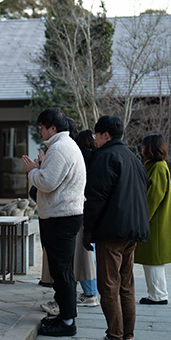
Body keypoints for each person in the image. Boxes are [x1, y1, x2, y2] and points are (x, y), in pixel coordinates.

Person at [82, 115, 150, 340]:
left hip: (111, 231)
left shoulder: (105, 157)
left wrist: (87, 230)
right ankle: (127, 338)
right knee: (126, 285)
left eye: (97, 136)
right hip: (133, 231)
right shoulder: (133, 158)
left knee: (108, 286)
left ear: (105, 135)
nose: (95, 140)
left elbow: (95, 197)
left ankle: (114, 339)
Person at [22, 108, 86, 337]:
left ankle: (68, 322)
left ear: (53, 128)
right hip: (62, 215)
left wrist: (33, 172)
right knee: (61, 270)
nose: (39, 130)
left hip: (62, 217)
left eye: (42, 126)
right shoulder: (62, 147)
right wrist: (40, 169)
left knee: (62, 271)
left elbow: (47, 183)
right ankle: (64, 316)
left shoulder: (60, 149)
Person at [134, 133, 171, 305]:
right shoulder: (157, 166)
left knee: (154, 259)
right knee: (153, 259)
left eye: (144, 145)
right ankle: (156, 294)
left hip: (155, 222)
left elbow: (153, 197)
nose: (142, 148)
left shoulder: (158, 167)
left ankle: (158, 295)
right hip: (155, 221)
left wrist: (142, 218)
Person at [73, 130, 99, 307]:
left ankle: (90, 293)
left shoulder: (79, 157)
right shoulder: (98, 157)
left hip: (80, 208)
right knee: (92, 253)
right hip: (95, 210)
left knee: (84, 253)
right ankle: (91, 290)